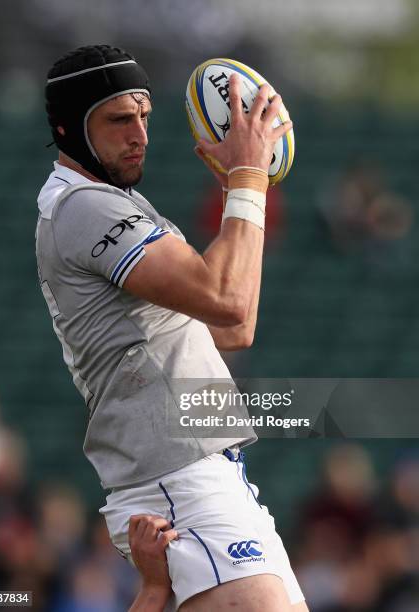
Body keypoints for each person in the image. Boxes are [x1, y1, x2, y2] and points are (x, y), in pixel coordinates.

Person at [36, 45, 307, 611]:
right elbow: (228, 302)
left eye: (144, 117)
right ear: (67, 128)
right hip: (176, 478)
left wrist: (245, 184)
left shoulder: (121, 205)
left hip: (201, 476)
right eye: (118, 120)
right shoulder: (85, 206)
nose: (139, 134)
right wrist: (247, 176)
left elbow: (236, 326)